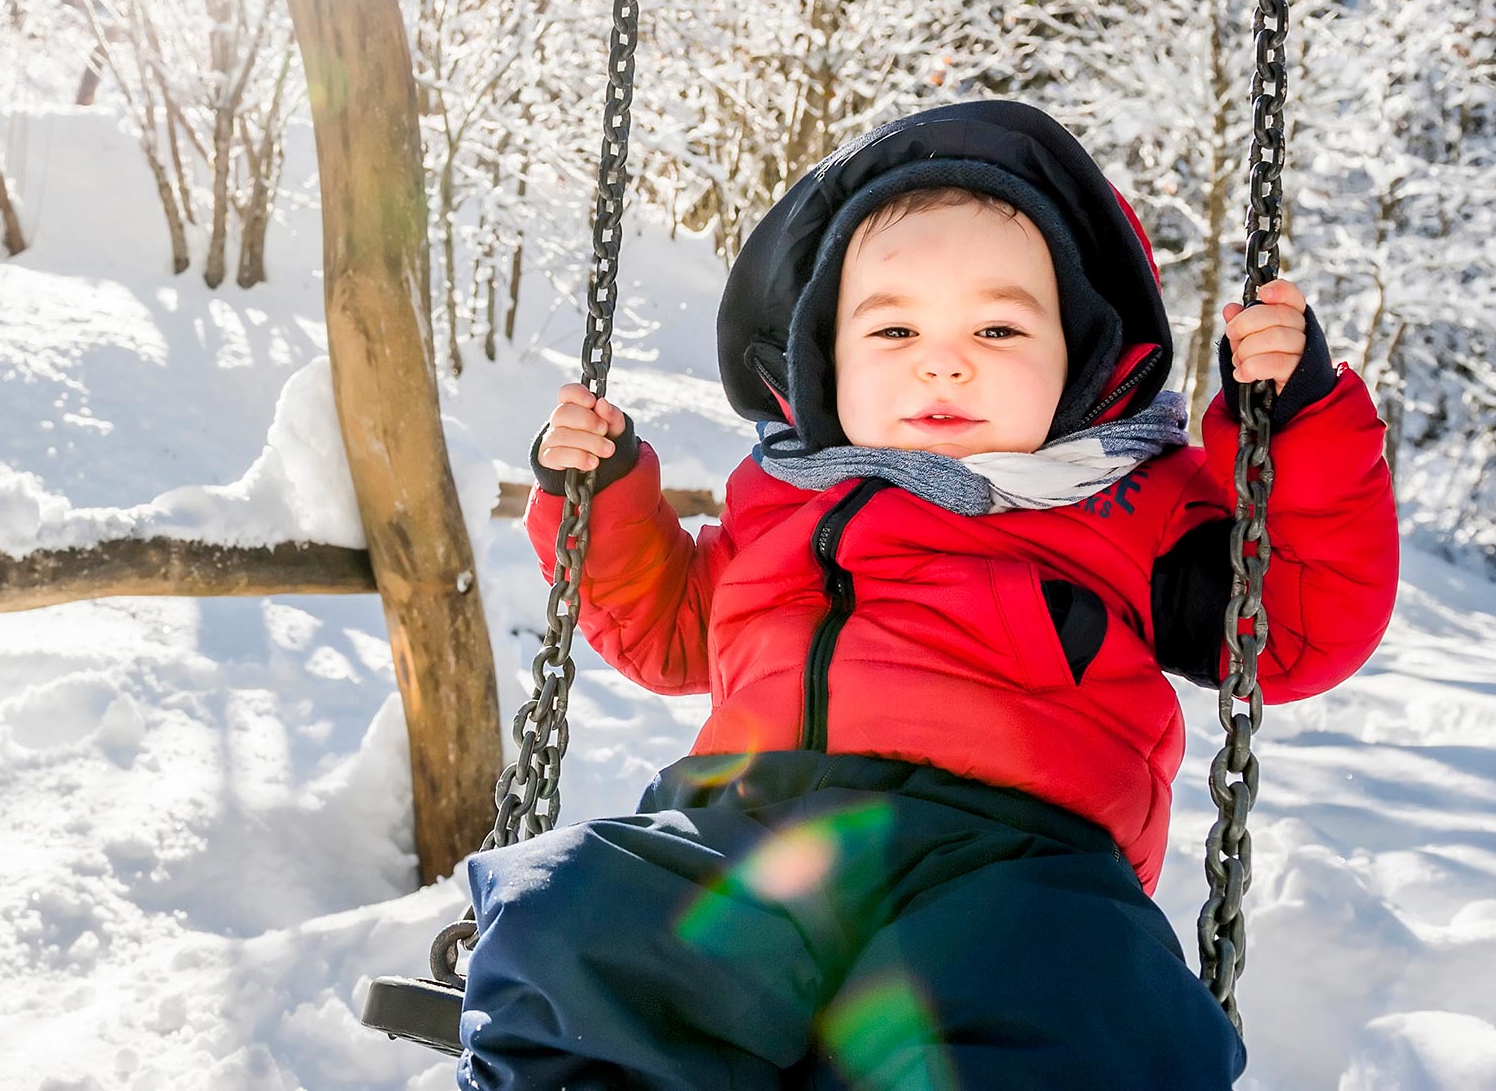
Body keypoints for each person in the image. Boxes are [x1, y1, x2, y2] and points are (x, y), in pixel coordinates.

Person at [456, 99, 1399, 1091]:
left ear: (1080, 352)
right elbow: (670, 628)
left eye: (997, 326)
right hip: (754, 828)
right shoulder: (785, 491)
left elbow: (1293, 626)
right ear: (826, 357)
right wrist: (599, 503)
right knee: (576, 911)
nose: (943, 359)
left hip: (1016, 863)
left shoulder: (1132, 500)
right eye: (895, 327)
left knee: (1080, 1001)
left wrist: (1293, 430)